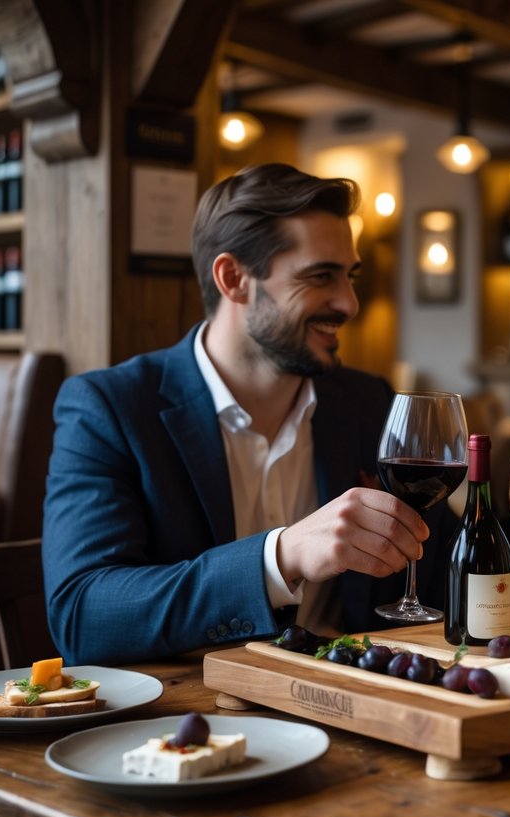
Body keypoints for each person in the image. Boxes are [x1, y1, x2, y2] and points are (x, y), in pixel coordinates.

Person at [42, 163, 450, 665]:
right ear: (234, 278)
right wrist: (281, 557)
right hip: (183, 723)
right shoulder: (110, 408)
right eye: (320, 276)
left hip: (354, 710)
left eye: (349, 276)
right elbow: (83, 615)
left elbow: (448, 575)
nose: (349, 302)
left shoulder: (369, 403)